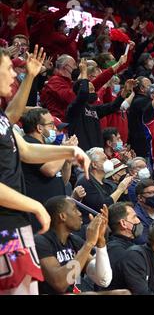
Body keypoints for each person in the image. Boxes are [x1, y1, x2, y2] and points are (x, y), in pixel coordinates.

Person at [0, 46, 91, 295]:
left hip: (15, 220)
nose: (13, 75)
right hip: (7, 220)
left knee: (26, 289)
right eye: (8, 69)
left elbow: (27, 151)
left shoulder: (1, 118)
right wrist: (35, 205)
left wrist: (70, 152)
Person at [34, 196, 112, 294]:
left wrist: (100, 241)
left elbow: (103, 280)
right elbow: (60, 284)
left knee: (123, 293)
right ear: (62, 216)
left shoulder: (73, 241)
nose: (80, 214)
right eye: (75, 210)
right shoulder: (41, 241)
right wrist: (89, 243)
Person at [66, 59, 133, 151]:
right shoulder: (74, 108)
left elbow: (113, 106)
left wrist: (125, 91)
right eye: (91, 90)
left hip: (97, 152)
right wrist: (84, 73)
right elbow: (83, 94)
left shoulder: (94, 109)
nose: (94, 92)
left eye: (94, 90)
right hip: (82, 153)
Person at [75, 147, 133, 223]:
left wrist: (125, 190)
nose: (108, 161)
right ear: (94, 165)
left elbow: (125, 204)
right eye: (104, 159)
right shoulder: (85, 182)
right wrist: (120, 189)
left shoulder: (108, 183)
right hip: (93, 224)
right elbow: (103, 207)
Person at [106, 202, 143, 290]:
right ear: (123, 223)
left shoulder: (128, 244)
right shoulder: (116, 249)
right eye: (134, 217)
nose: (138, 220)